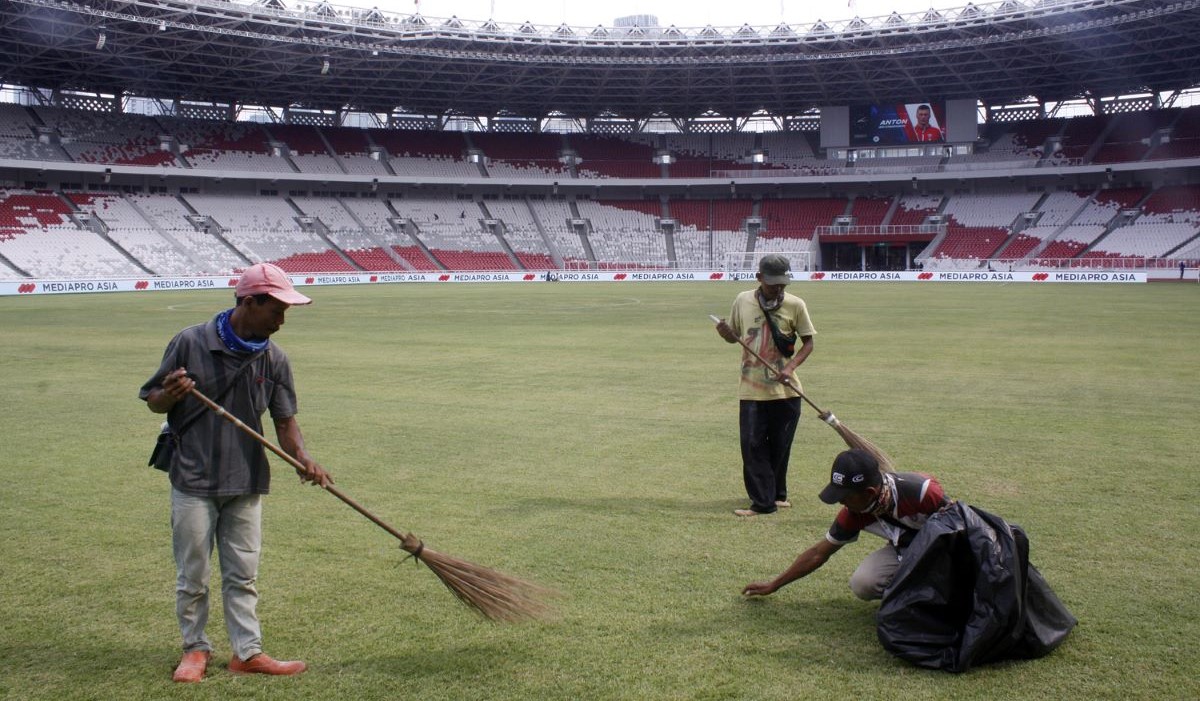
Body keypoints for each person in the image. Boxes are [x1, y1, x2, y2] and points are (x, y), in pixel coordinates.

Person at [140, 262, 333, 683]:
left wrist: (303, 458)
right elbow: (153, 399)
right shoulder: (190, 343)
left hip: (247, 480)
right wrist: (169, 394)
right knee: (193, 574)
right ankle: (195, 649)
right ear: (249, 302)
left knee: (243, 574)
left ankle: (247, 652)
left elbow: (285, 422)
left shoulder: (275, 359)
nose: (282, 322)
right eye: (276, 311)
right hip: (194, 479)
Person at [741, 449, 948, 600]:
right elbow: (818, 553)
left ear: (869, 493)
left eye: (845, 496)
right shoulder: (855, 512)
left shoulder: (922, 492)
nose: (840, 502)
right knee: (864, 583)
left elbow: (961, 531)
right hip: (905, 550)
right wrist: (774, 584)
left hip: (944, 551)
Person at [713, 254, 816, 517]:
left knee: (780, 446)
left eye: (783, 284)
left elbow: (809, 343)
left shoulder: (796, 305)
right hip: (752, 390)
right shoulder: (742, 300)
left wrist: (790, 368)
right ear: (759, 278)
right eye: (773, 284)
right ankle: (763, 503)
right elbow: (734, 337)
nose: (779, 289)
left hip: (787, 392)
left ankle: (777, 495)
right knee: (753, 446)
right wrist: (726, 334)